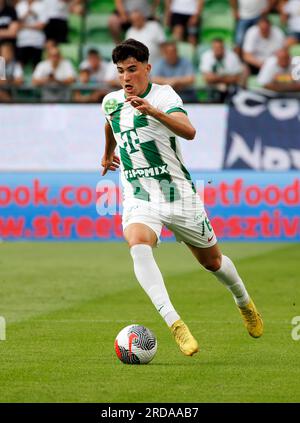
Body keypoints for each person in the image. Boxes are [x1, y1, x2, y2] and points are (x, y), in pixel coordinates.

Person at [101, 38, 263, 357]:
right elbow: (110, 124)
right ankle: (175, 324)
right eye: (121, 71)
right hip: (138, 194)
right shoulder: (110, 101)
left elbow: (189, 132)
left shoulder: (164, 95)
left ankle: (244, 302)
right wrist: (107, 154)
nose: (126, 77)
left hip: (177, 194)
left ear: (147, 68)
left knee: (213, 262)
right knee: (137, 244)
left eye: (132, 70)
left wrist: (154, 112)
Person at [16, 0, 47, 68]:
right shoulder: (20, 5)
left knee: (36, 66)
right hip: (22, 41)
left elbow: (42, 25)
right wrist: (26, 14)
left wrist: (24, 25)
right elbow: (17, 24)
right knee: (20, 66)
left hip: (37, 41)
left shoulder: (41, 5)